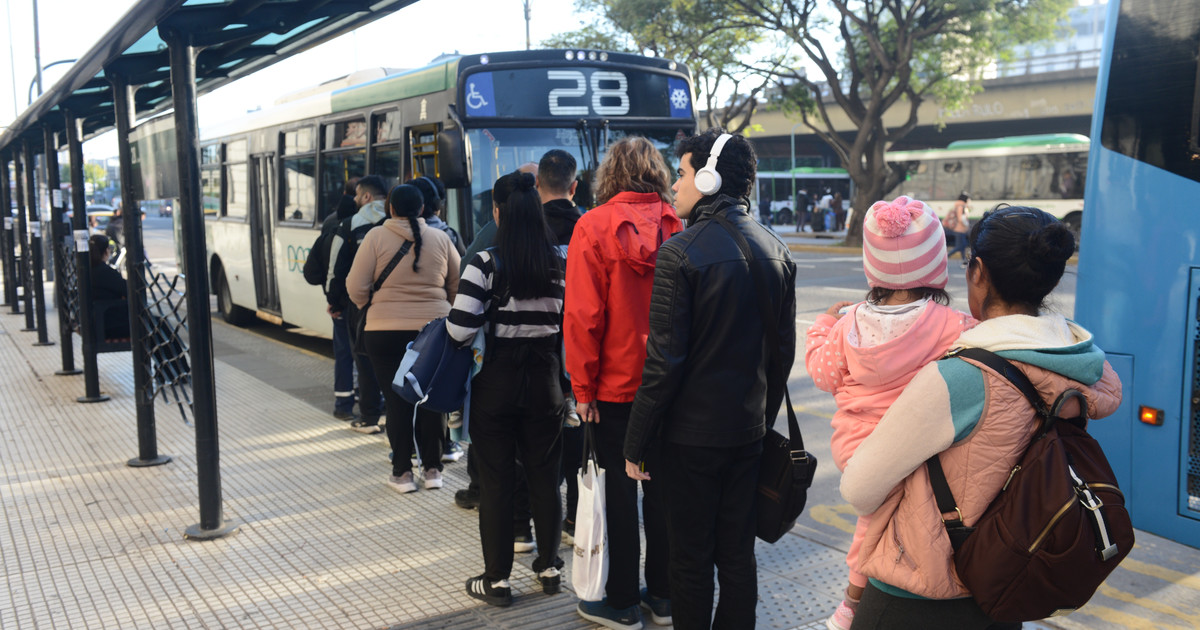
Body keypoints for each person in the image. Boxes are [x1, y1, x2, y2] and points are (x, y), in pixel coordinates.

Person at [839, 206, 1122, 629]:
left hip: (919, 592)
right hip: (1007, 582)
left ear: (979, 272)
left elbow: (859, 490)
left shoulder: (960, 377)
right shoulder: (1074, 363)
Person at [624, 129, 796, 630]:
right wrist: (758, 420)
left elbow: (664, 363)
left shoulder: (680, 253)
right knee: (737, 555)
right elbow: (781, 357)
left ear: (708, 178)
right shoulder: (778, 250)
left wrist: (636, 443)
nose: (674, 185)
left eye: (681, 174)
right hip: (747, 435)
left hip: (689, 442)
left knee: (691, 560)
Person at [804, 196, 976, 630]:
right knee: (877, 524)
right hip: (909, 446)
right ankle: (852, 601)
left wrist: (822, 326)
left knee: (875, 518)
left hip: (854, 446)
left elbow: (823, 374)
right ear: (936, 264)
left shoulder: (848, 324)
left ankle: (855, 599)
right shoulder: (953, 325)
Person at [565, 136, 682, 630]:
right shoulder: (680, 225)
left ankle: (621, 602)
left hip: (613, 389)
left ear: (609, 174)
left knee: (617, 491)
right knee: (663, 491)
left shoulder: (592, 226)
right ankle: (664, 596)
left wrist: (583, 389)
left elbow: (583, 317)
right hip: (671, 387)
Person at [447, 171, 566, 608]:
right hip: (546, 380)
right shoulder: (560, 261)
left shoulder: (485, 263)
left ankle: (496, 580)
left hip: (497, 384)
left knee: (496, 482)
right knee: (545, 477)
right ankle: (550, 568)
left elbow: (460, 330)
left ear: (498, 213)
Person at [347, 183, 460, 492]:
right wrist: (442, 307)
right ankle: (433, 471)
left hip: (384, 332)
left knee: (397, 400)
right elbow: (457, 285)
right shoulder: (441, 238)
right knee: (430, 399)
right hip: (433, 333)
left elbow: (355, 286)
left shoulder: (374, 237)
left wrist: (372, 305)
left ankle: (402, 473)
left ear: (391, 209)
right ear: (422, 209)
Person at [535, 148, 584, 543]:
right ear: (575, 186)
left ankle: (538, 528)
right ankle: (576, 520)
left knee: (539, 444)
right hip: (580, 351)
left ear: (538, 184)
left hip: (536, 351)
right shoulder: (590, 228)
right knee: (579, 440)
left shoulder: (526, 230)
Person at [326, 174, 388, 434]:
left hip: (359, 306)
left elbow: (336, 269)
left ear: (366, 196)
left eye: (357, 195)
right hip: (391, 304)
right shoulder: (397, 223)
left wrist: (334, 301)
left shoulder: (349, 225)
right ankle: (391, 414)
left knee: (363, 359)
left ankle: (368, 416)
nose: (354, 200)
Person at [318, 177, 360, 421]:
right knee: (362, 354)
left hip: (341, 301)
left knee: (344, 352)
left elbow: (329, 267)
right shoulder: (364, 226)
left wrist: (332, 300)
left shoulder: (330, 222)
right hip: (359, 301)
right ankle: (367, 401)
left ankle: (343, 405)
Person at [88, 234, 130, 339]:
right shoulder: (105, 272)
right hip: (109, 325)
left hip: (94, 322)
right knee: (157, 326)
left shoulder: (86, 270)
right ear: (106, 251)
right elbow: (129, 290)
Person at [943, 192, 971, 266]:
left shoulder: (961, 206)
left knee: (963, 246)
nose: (969, 200)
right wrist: (966, 224)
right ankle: (946, 257)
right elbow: (960, 219)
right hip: (959, 230)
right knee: (960, 246)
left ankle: (964, 261)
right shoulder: (960, 207)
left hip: (961, 230)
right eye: (968, 199)